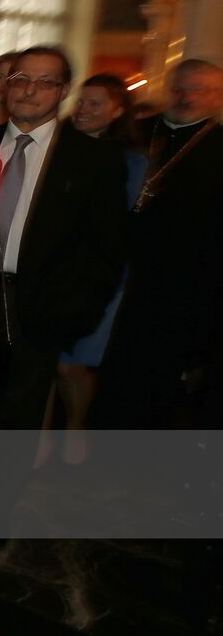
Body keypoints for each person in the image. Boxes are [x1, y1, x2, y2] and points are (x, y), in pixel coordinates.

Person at [0, 49, 126, 434]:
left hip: (39, 305)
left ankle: (3, 494)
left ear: (63, 90)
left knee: (20, 418)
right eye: (20, 80)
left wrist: (74, 314)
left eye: (45, 82)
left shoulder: (93, 160)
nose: (30, 91)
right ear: (6, 85)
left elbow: (107, 248)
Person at [98, 59, 223, 428]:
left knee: (157, 373)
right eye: (181, 87)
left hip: (179, 282)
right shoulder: (132, 134)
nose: (187, 97)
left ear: (217, 97)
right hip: (115, 270)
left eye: (200, 89)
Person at [56, 74, 146, 460]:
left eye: (95, 104)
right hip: (53, 272)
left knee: (72, 364)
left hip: (99, 277)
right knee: (47, 361)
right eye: (81, 101)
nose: (84, 110)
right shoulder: (57, 147)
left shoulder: (131, 160)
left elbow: (117, 222)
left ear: (117, 110)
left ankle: (76, 428)